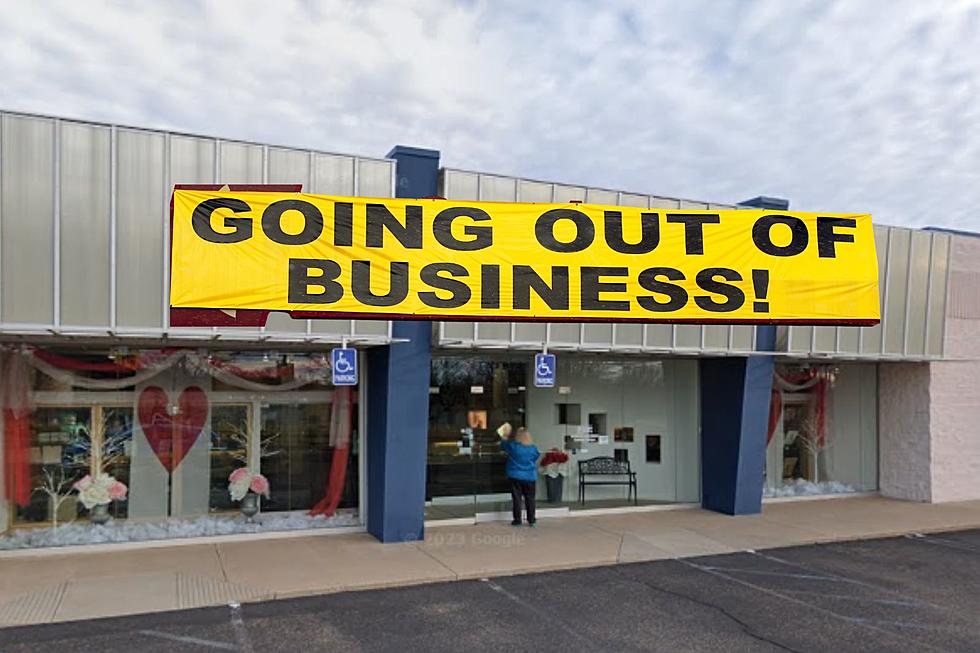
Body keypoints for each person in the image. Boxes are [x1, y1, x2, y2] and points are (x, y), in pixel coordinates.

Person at [497, 423, 540, 527]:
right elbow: (536, 457)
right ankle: (532, 520)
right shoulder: (533, 448)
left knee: (517, 499)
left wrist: (504, 436)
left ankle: (517, 521)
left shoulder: (513, 446)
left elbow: (503, 445)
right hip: (530, 476)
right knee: (530, 499)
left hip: (515, 476)